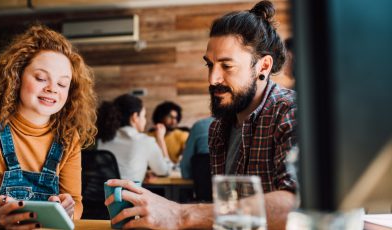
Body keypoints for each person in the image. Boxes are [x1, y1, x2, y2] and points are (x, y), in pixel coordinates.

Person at [104, 1, 297, 229]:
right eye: (209, 65)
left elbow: (296, 204)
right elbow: (225, 214)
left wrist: (180, 214)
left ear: (263, 67)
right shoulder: (219, 127)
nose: (212, 79)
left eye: (227, 66)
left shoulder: (291, 112)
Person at [0, 25, 97, 228]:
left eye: (62, 84)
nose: (52, 89)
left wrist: (69, 210)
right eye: (41, 78)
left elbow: (75, 201)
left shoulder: (68, 137)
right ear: (17, 76)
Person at [96, 94, 171, 182]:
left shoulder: (103, 138)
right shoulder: (144, 141)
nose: (145, 120)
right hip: (126, 195)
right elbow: (164, 171)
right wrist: (160, 139)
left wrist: (143, 171)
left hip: (97, 194)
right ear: (135, 117)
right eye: (144, 116)